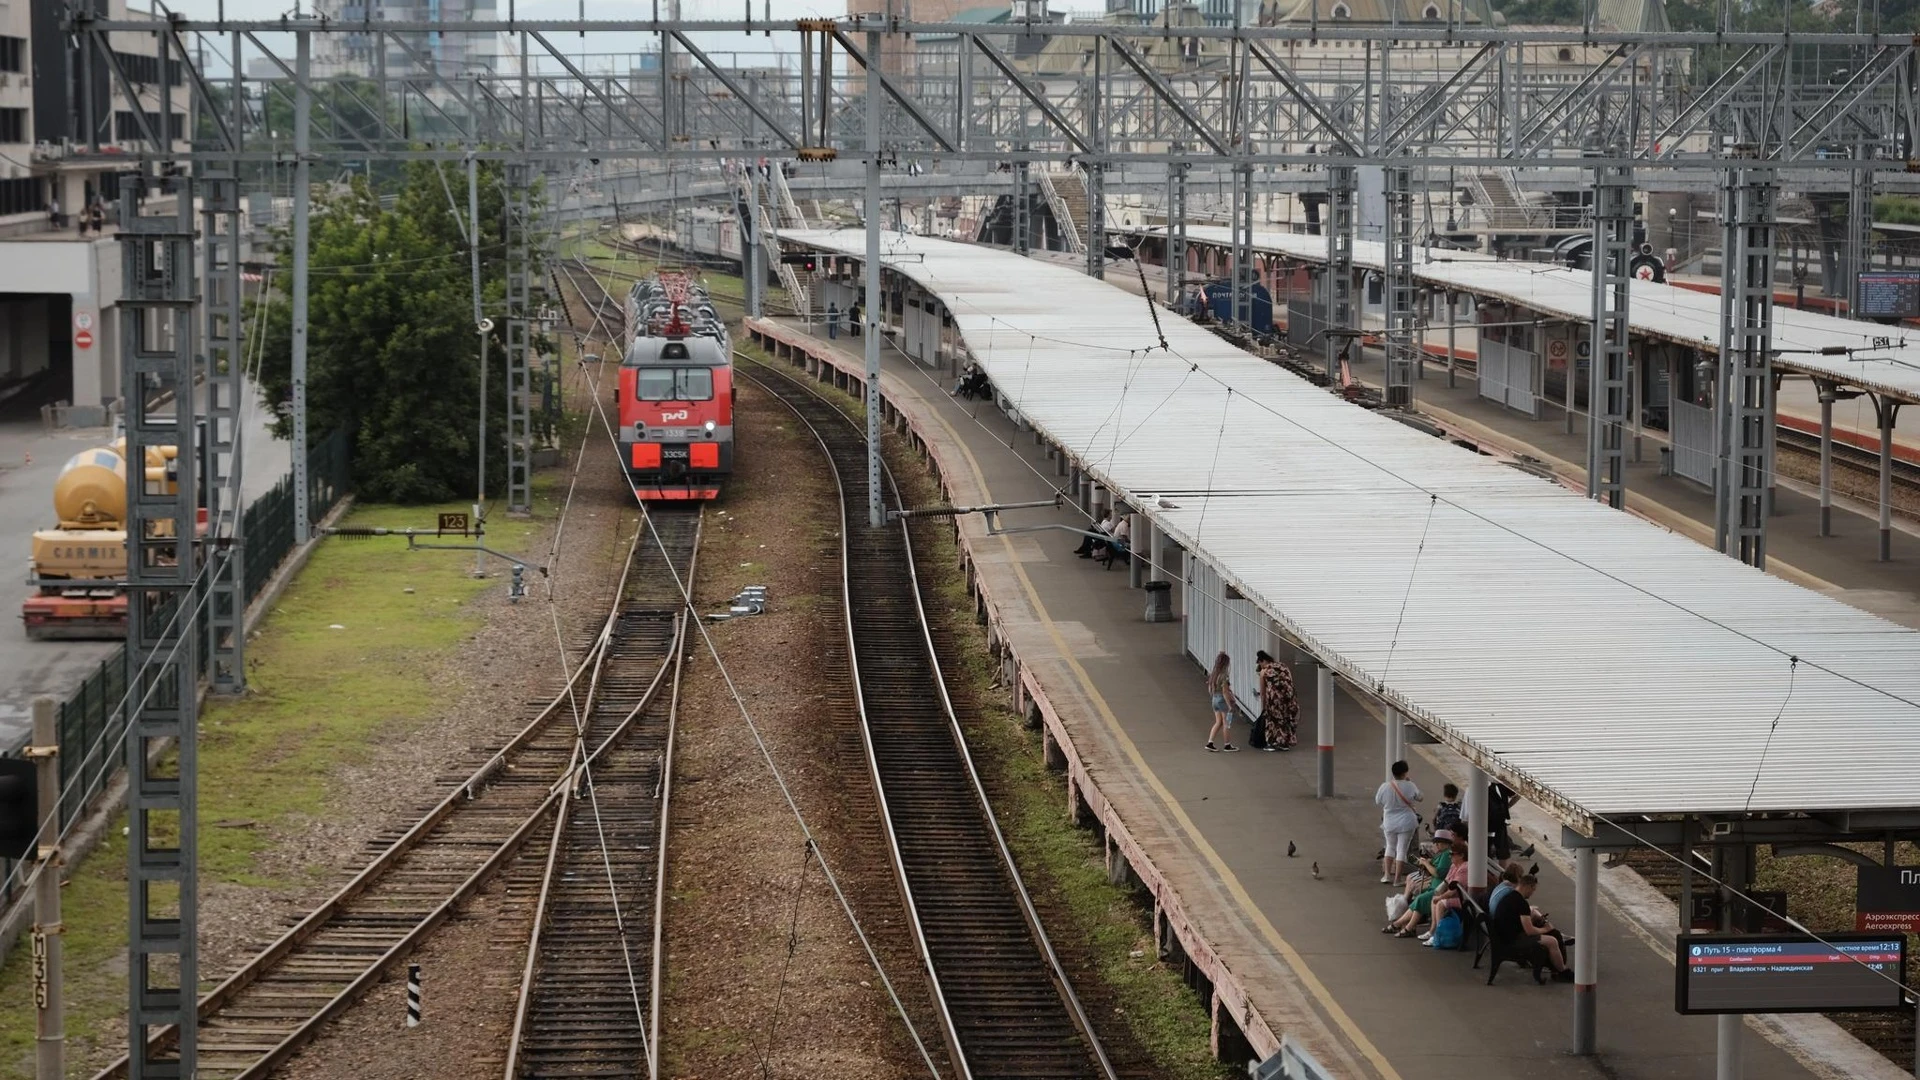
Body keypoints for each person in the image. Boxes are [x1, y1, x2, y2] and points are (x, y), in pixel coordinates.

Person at [1491, 874, 1572, 982]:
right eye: (1533, 890)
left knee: (1554, 934)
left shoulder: (1510, 897)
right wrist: (1545, 929)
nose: (1532, 894)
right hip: (1511, 940)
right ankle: (1562, 971)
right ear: (1528, 886)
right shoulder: (1521, 903)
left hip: (1503, 935)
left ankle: (1556, 969)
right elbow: (1529, 931)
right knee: (1552, 941)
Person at [1374, 760, 1422, 885]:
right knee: (1401, 850)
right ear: (1405, 772)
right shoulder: (1410, 785)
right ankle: (1397, 879)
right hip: (1406, 821)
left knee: (1390, 846)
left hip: (1389, 821)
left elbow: (1378, 801)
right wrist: (1410, 782)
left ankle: (1386, 876)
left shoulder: (1385, 786)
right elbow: (1420, 797)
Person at [1255, 650, 1299, 752]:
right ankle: (1285, 743)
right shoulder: (1283, 666)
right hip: (1289, 699)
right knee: (1286, 720)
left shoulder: (1264, 672)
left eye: (1260, 664)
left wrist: (1264, 706)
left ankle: (1273, 743)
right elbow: (1290, 682)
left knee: (1273, 722)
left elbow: (1263, 692)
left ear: (1263, 661)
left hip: (1274, 701)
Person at [1204, 651, 1238, 753]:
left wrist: (1214, 696)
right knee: (1226, 723)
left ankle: (1210, 742)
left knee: (1218, 722)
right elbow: (1225, 691)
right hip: (1222, 700)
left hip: (1214, 699)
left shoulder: (1213, 674)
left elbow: (1210, 688)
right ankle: (1227, 745)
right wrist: (1230, 705)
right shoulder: (1224, 676)